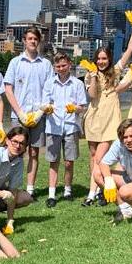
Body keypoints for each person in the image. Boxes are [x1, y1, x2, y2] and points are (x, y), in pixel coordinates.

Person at [82, 11, 132, 207]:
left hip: (110, 120)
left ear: (109, 59)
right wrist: (92, 76)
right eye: (99, 58)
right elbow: (92, 96)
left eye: (104, 58)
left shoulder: (115, 71)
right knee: (93, 156)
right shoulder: (90, 74)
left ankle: (94, 193)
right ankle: (97, 189)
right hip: (93, 119)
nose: (101, 61)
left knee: (101, 157)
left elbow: (129, 50)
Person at [4, 27, 53, 197]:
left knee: (34, 152)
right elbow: (8, 89)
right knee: (14, 151)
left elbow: (49, 91)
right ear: (24, 40)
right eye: (30, 38)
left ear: (39, 41)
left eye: (35, 39)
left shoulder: (46, 64)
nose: (33, 41)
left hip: (38, 116)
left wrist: (40, 112)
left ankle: (30, 189)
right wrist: (20, 113)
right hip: (19, 115)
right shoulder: (15, 62)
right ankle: (11, 187)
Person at [42, 53, 87, 207]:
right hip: (53, 126)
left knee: (69, 162)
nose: (61, 69)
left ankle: (67, 190)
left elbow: (83, 107)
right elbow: (44, 103)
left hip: (71, 126)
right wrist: (47, 108)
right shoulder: (49, 83)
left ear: (69, 65)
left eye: (64, 65)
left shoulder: (78, 84)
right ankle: (52, 194)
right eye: (58, 66)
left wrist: (75, 108)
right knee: (53, 161)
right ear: (54, 67)